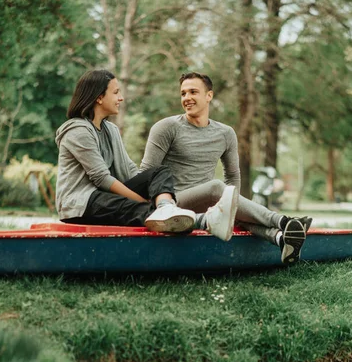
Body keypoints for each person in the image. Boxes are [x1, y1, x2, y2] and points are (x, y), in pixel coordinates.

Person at [141, 72, 312, 265]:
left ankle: (281, 239)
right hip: (173, 204)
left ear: (209, 96)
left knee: (231, 207)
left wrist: (235, 210)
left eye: (193, 92)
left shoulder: (225, 133)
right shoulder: (166, 128)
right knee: (216, 188)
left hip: (209, 204)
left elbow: (233, 176)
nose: (187, 98)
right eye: (183, 93)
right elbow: (147, 174)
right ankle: (284, 221)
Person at [55, 69, 238, 242]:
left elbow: (129, 170)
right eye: (116, 92)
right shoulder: (77, 130)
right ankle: (205, 221)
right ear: (99, 97)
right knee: (138, 208)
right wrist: (144, 200)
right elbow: (101, 178)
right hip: (82, 204)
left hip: (104, 198)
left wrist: (154, 192)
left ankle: (166, 208)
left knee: (159, 171)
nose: (121, 97)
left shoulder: (110, 129)